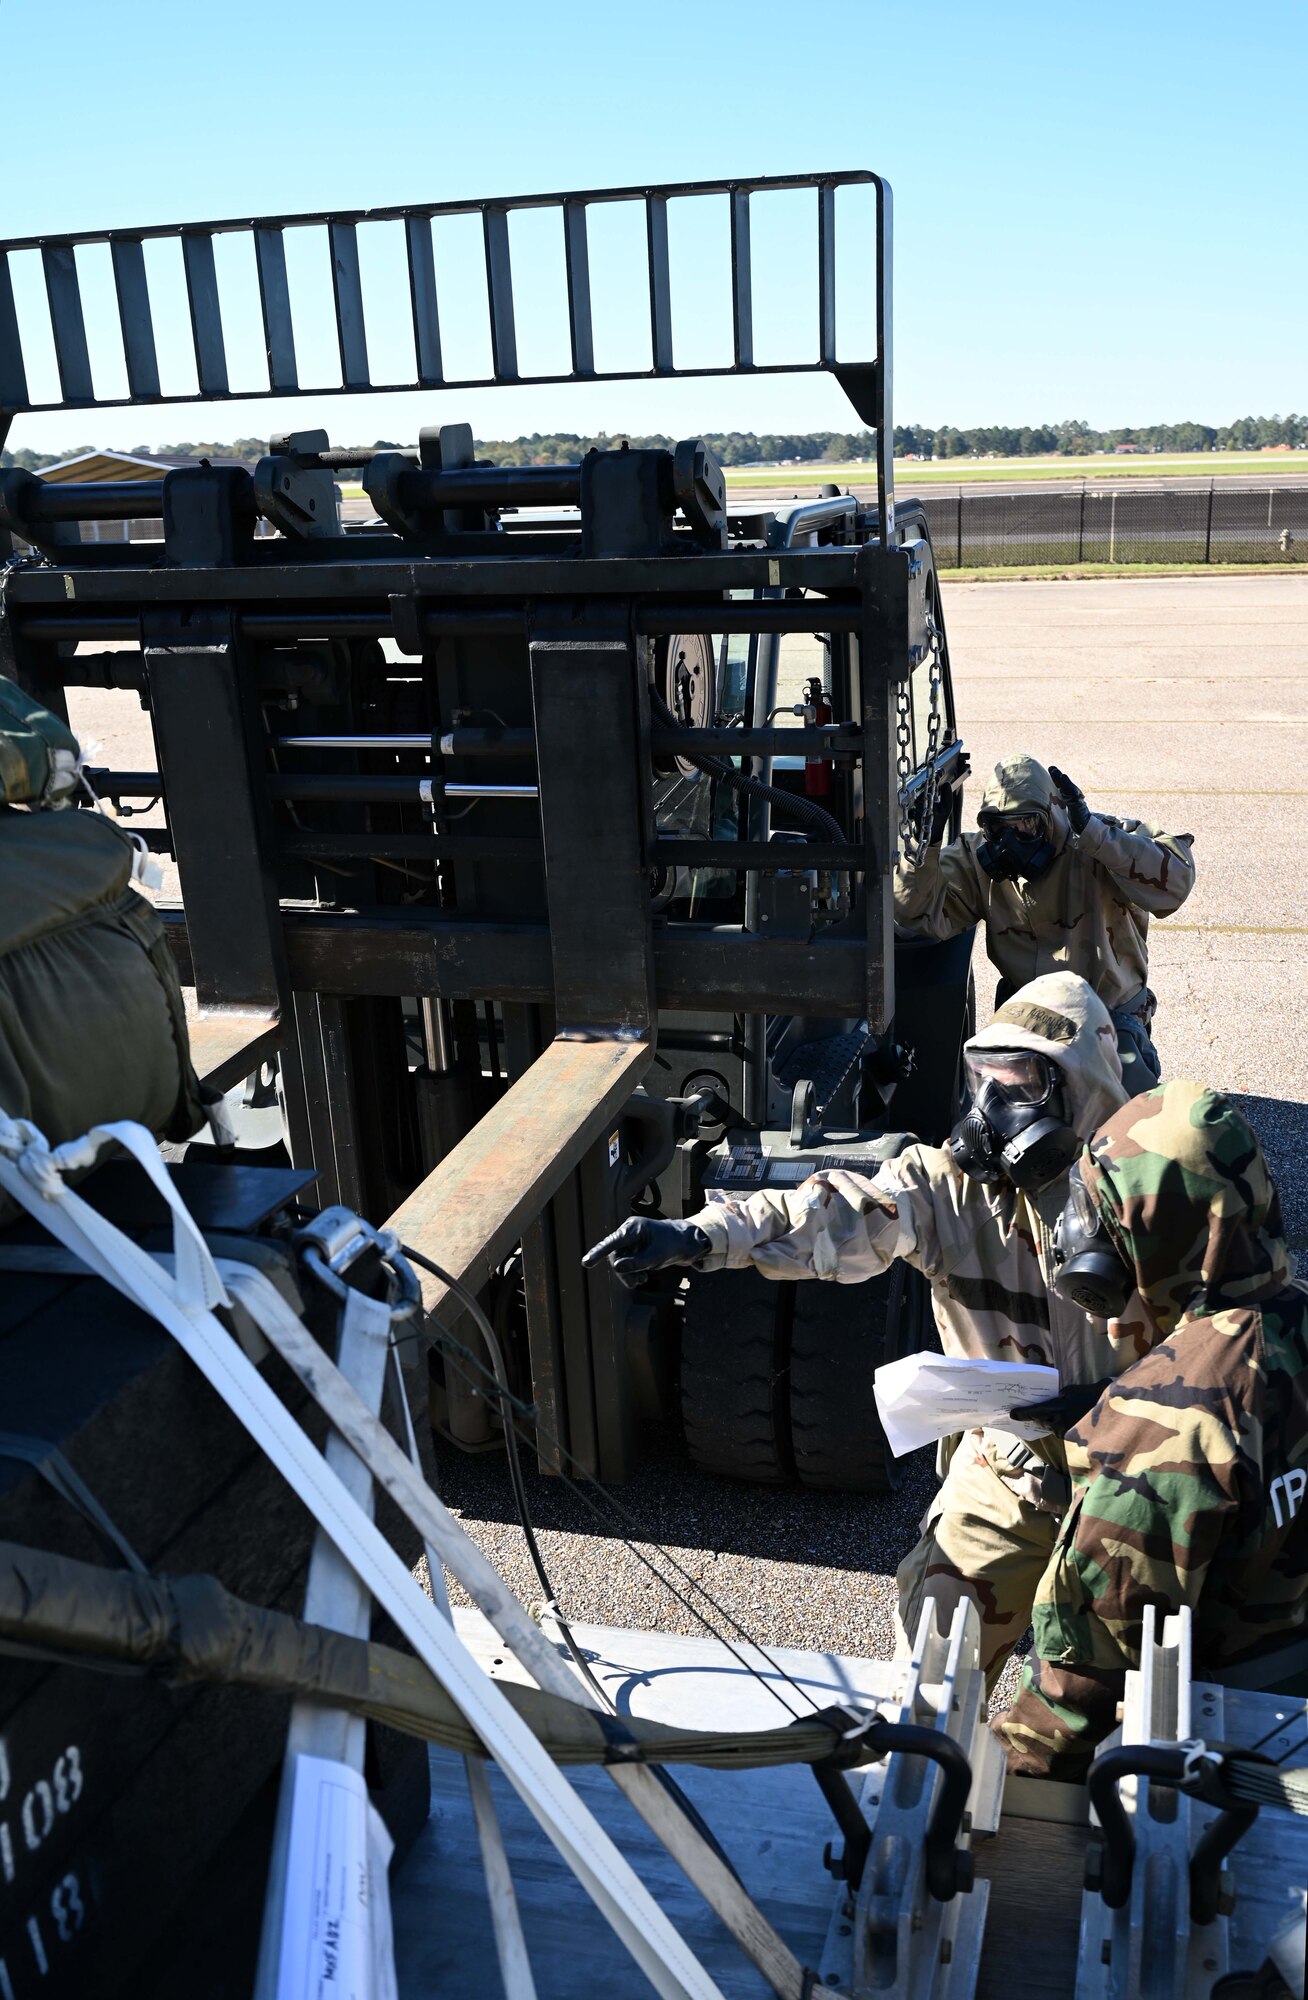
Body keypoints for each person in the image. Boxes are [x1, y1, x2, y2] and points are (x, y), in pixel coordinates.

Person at [587, 971, 1165, 1689]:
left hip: (1137, 1474)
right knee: (929, 1668)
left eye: (1019, 1083)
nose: (993, 1107)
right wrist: (700, 1236)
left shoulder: (1162, 1188)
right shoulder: (950, 1189)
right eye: (984, 1079)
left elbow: (1240, 1335)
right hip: (1011, 1475)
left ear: (1079, 1085)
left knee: (1128, 1696)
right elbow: (830, 1212)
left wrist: (1127, 1408)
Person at [992, 1080, 1308, 1778]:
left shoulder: (1161, 1430)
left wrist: (1000, 1770)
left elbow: (1082, 1685)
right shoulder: (1294, 1320)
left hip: (1235, 1759)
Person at [894, 753, 1195, 1087]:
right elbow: (916, 916)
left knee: (1128, 1122)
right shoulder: (976, 859)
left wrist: (1096, 835)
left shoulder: (1097, 840)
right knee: (997, 1119)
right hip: (1028, 1017)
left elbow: (1176, 883)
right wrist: (923, 849)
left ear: (1053, 815)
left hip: (1107, 1018)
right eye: (998, 828)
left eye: (1027, 825)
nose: (1011, 842)